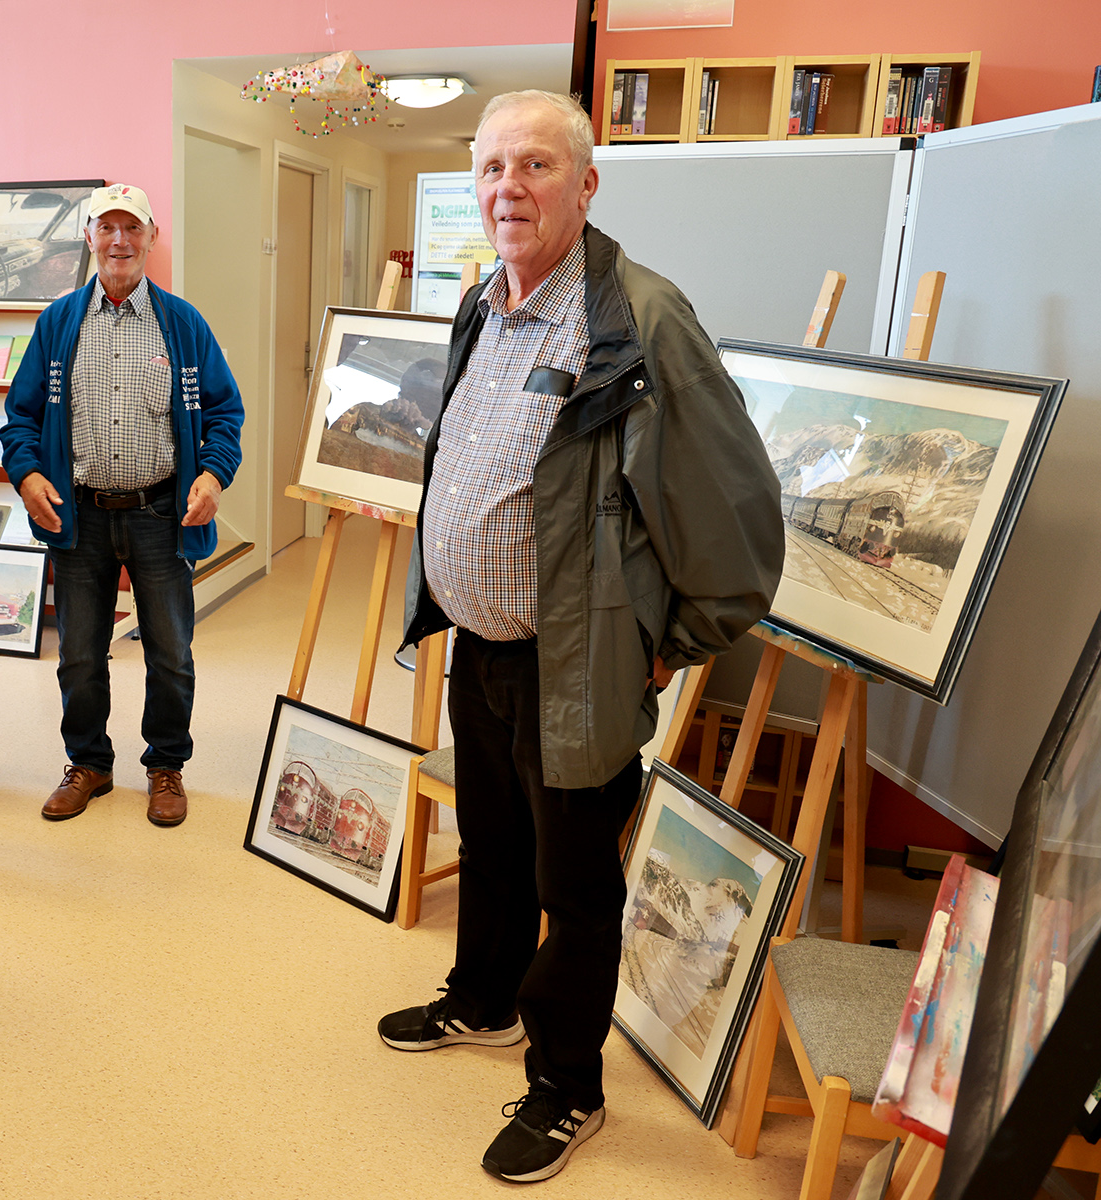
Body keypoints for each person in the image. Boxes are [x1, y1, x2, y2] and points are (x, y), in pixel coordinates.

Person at [379, 90, 783, 1185]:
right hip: (484, 644)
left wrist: (674, 638)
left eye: (537, 167)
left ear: (587, 183)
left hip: (577, 660)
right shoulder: (482, 301)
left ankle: (566, 1084)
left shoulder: (641, 322)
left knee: (575, 880)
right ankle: (485, 999)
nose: (509, 188)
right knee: (495, 844)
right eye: (493, 167)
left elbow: (735, 513)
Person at [0, 183, 244, 828]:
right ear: (89, 238)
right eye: (106, 228)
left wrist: (214, 476)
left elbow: (225, 413)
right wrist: (26, 476)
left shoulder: (182, 323)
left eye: (131, 229)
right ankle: (89, 763)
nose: (119, 241)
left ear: (151, 238)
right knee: (80, 652)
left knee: (171, 651)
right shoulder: (58, 322)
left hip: (161, 512)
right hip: (78, 515)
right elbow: (19, 417)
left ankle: (166, 765)